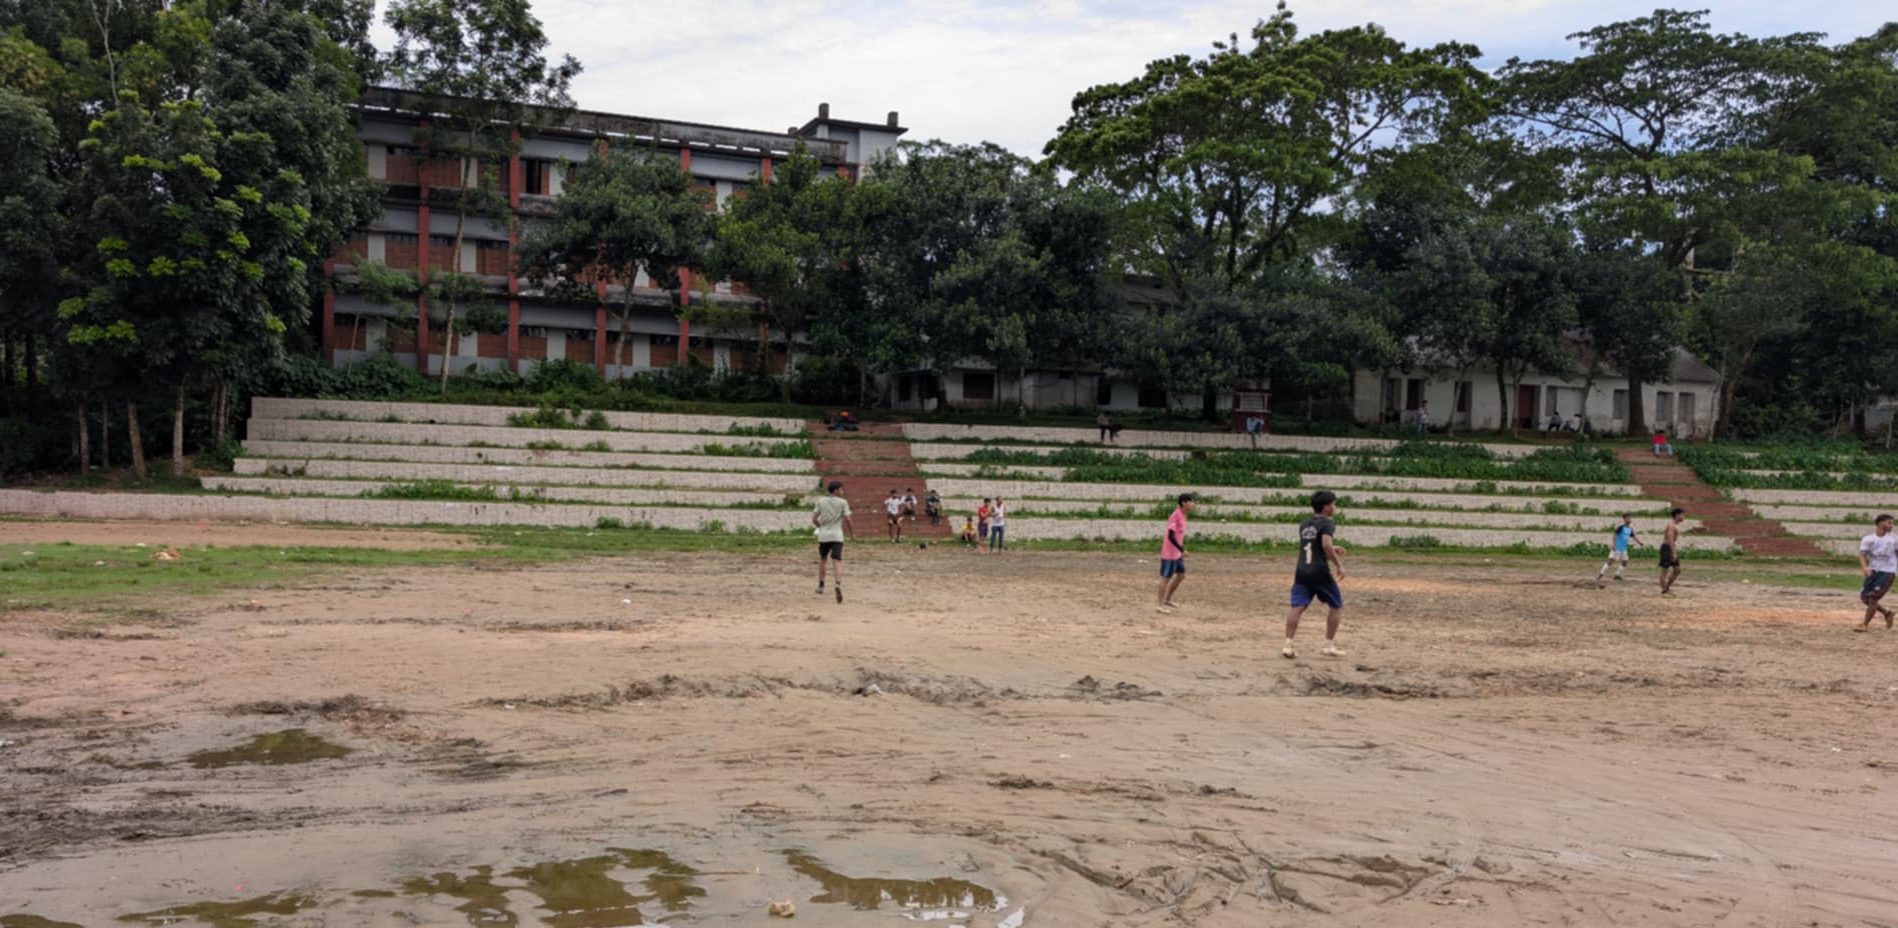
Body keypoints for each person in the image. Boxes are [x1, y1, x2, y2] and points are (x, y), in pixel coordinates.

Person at [1285, 490, 1347, 659]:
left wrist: (1333, 550)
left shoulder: (1304, 524)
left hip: (1302, 570)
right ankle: (1329, 645)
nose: (1334, 507)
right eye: (1333, 504)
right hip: (1320, 572)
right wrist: (1339, 565)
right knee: (1336, 605)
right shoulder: (1327, 523)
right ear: (1326, 507)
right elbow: (1325, 544)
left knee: (1297, 606)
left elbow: (1312, 548)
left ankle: (1288, 644)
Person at [811, 480, 853, 603]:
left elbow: (814, 518)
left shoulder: (821, 501)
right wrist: (852, 534)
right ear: (836, 490)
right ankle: (838, 584)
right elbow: (848, 519)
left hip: (824, 536)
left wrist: (820, 527)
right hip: (837, 536)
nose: (842, 491)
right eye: (841, 489)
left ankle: (821, 585)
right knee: (837, 560)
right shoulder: (843, 502)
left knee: (823, 559)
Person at [1156, 492, 1197, 613]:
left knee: (1180, 575)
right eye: (1191, 501)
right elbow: (1171, 536)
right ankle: (1159, 605)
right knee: (1165, 578)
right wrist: (1182, 549)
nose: (1193, 504)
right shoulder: (1176, 516)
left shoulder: (1183, 515)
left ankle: (1167, 599)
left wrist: (1180, 550)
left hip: (1177, 553)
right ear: (1184, 503)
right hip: (1170, 553)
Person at [1857, 514, 1898, 631]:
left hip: (1888, 572)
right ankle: (1887, 613)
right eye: (1889, 523)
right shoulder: (1868, 539)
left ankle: (1864, 624)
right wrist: (1865, 568)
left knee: (1873, 598)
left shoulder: (1894, 539)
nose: (1892, 525)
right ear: (1881, 523)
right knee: (1865, 598)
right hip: (1873, 571)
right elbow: (1862, 555)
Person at [1596, 513, 1645, 584]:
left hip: (1623, 549)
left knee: (1625, 561)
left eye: (1630, 518)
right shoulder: (1621, 527)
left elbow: (1633, 536)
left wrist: (1640, 543)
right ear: (1624, 519)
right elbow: (1614, 535)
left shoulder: (1630, 529)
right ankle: (1600, 575)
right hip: (1617, 548)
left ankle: (1617, 575)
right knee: (1610, 561)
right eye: (1628, 518)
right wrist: (1614, 545)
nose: (1630, 519)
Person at [1658, 507, 1685, 595]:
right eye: (1682, 514)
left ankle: (1666, 587)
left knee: (1677, 570)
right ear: (1677, 515)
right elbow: (1670, 540)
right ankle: (1665, 590)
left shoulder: (1674, 525)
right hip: (1667, 548)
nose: (1683, 516)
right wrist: (1673, 552)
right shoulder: (1671, 525)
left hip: (1671, 547)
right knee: (1665, 570)